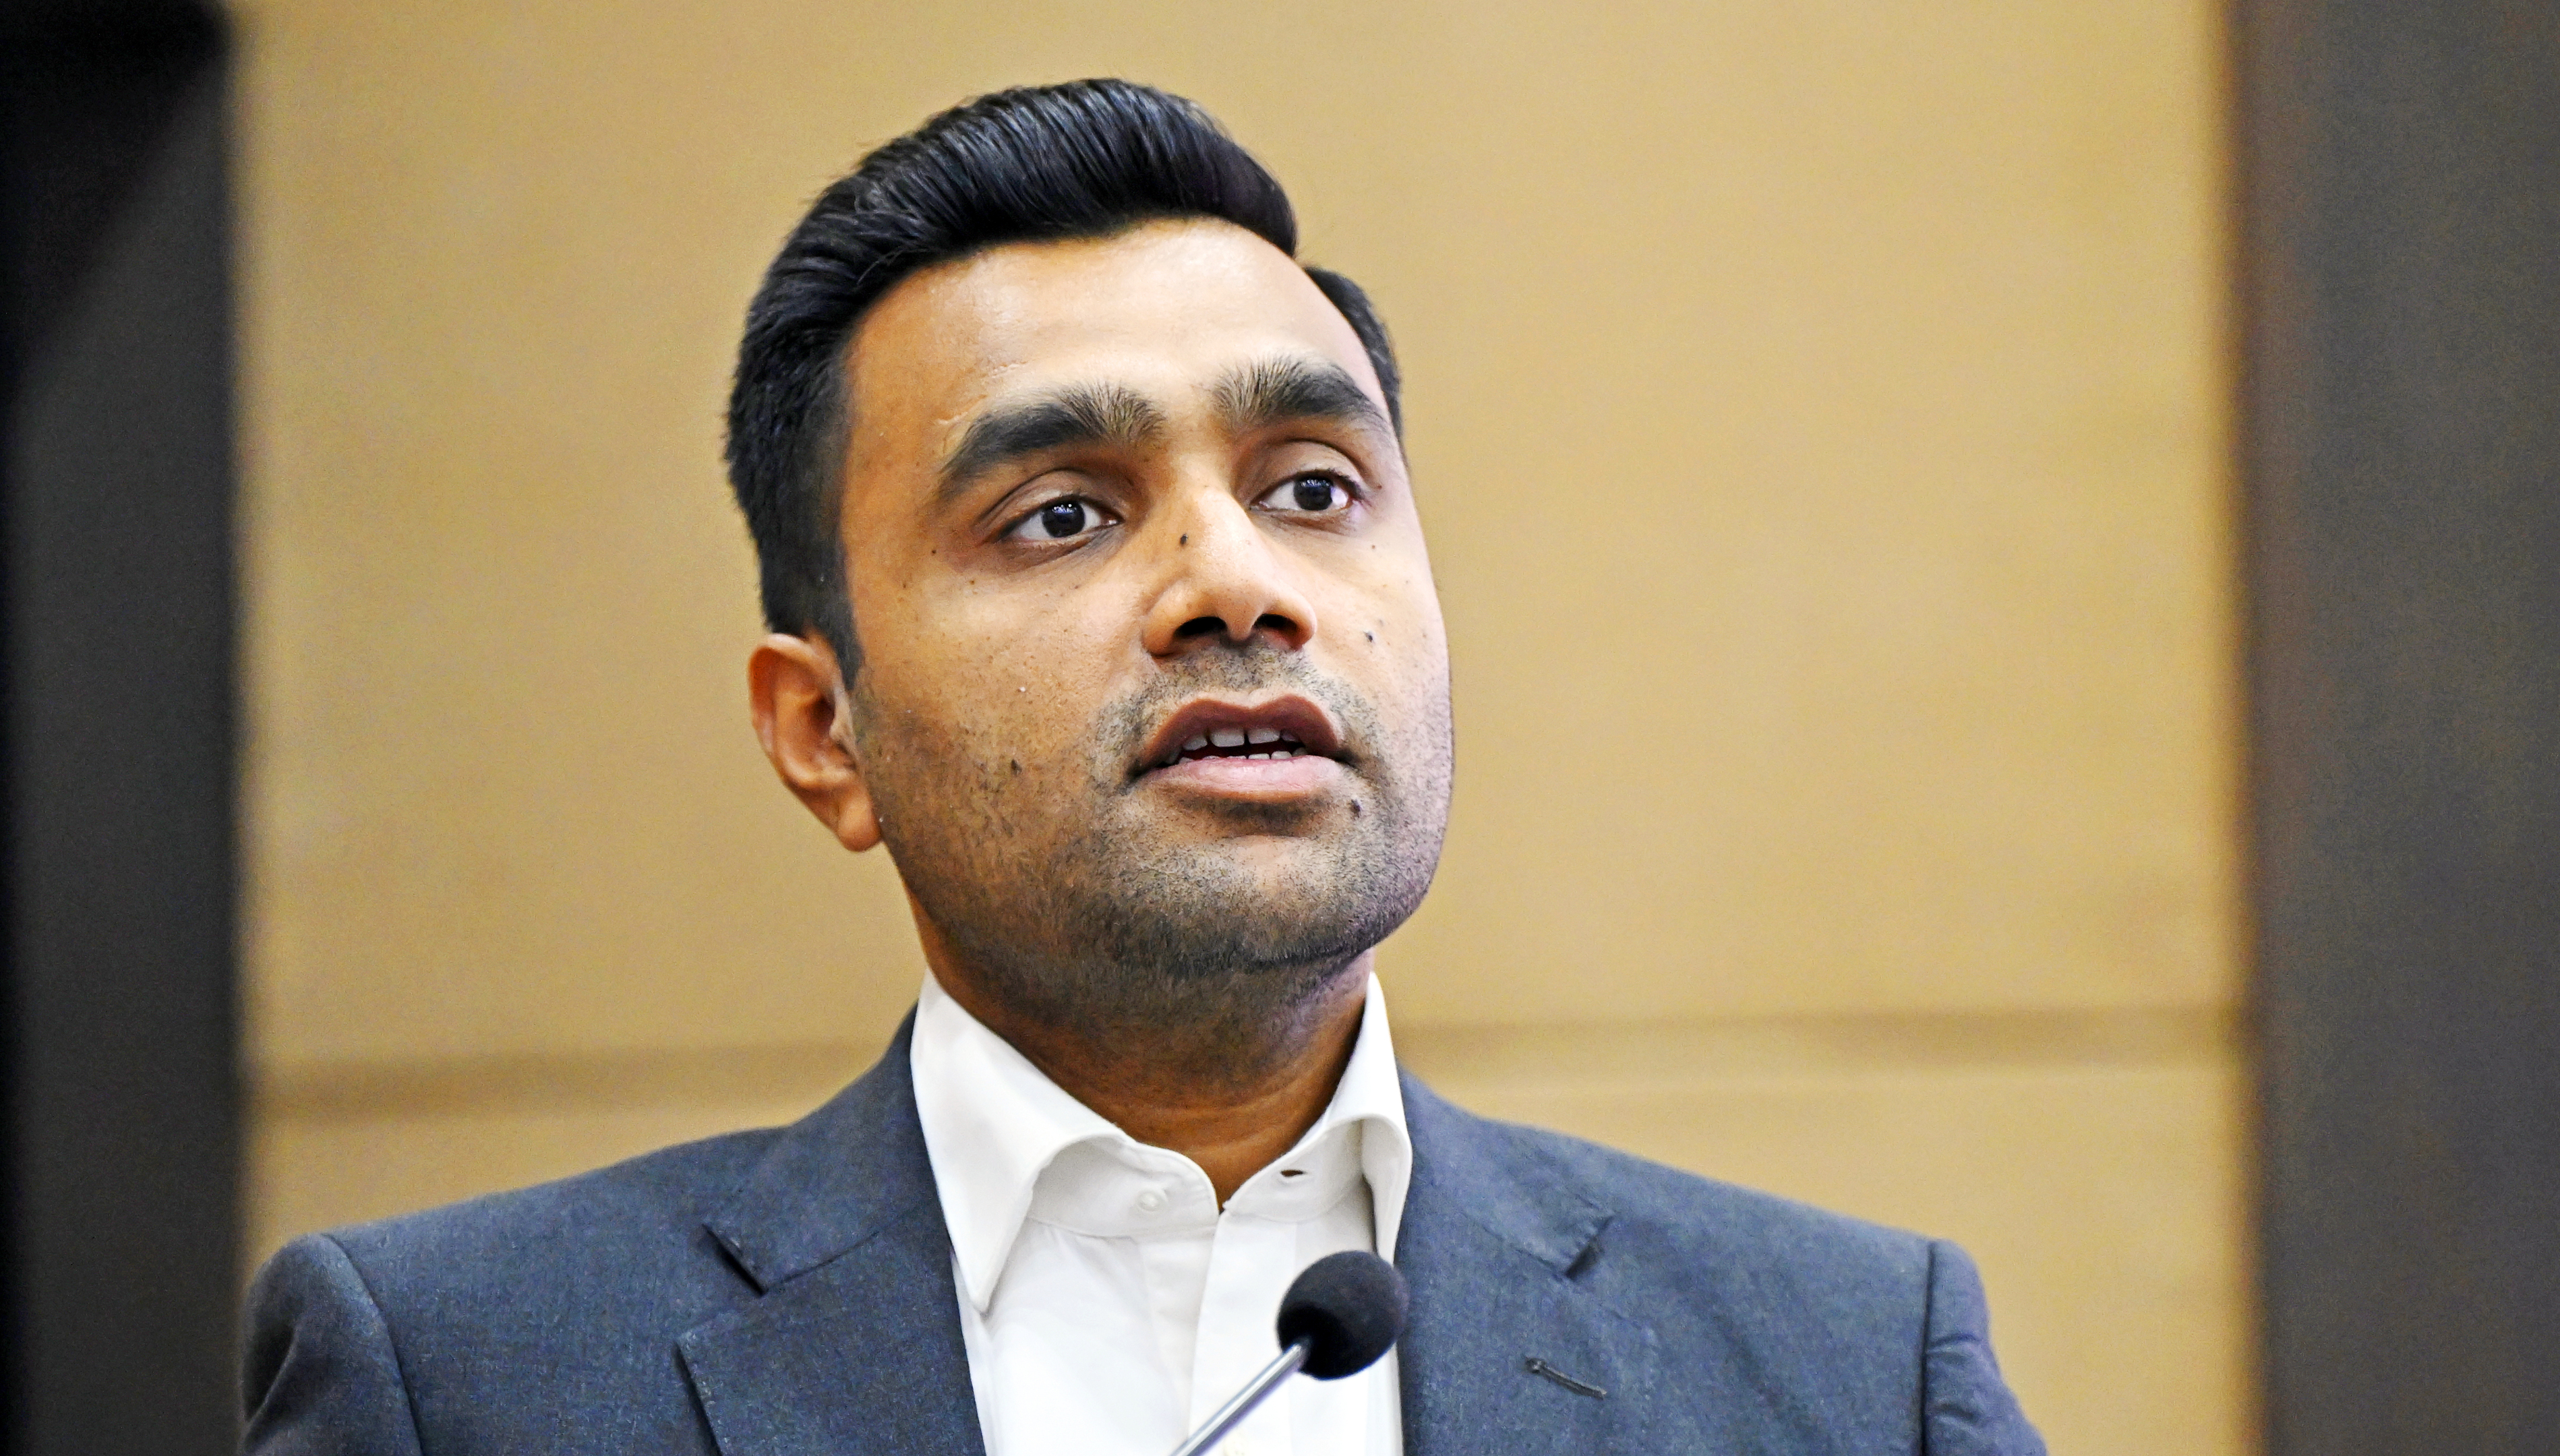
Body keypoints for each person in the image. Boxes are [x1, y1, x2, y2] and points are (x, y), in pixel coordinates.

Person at [239, 79, 2044, 1455]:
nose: (1237, 586)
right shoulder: (466, 1376)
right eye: (1059, 514)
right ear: (822, 731)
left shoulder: (1841, 1366)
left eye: (1314, 488)